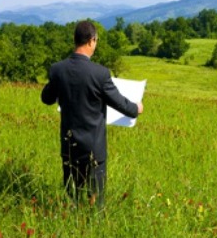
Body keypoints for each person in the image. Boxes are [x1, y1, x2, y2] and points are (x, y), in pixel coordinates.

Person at [41, 20, 143, 208]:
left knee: (71, 196)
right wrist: (136, 108)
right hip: (93, 148)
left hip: (69, 146)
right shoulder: (100, 73)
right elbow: (121, 104)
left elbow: (46, 98)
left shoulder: (57, 70)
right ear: (91, 41)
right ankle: (93, 226)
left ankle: (71, 225)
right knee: (96, 201)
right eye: (96, 41)